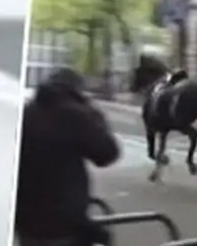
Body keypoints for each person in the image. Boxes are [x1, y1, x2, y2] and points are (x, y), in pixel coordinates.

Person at [14, 68, 121, 246]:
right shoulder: (76, 115)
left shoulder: (26, 112)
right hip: (64, 222)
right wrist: (94, 115)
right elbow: (107, 154)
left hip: (26, 221)